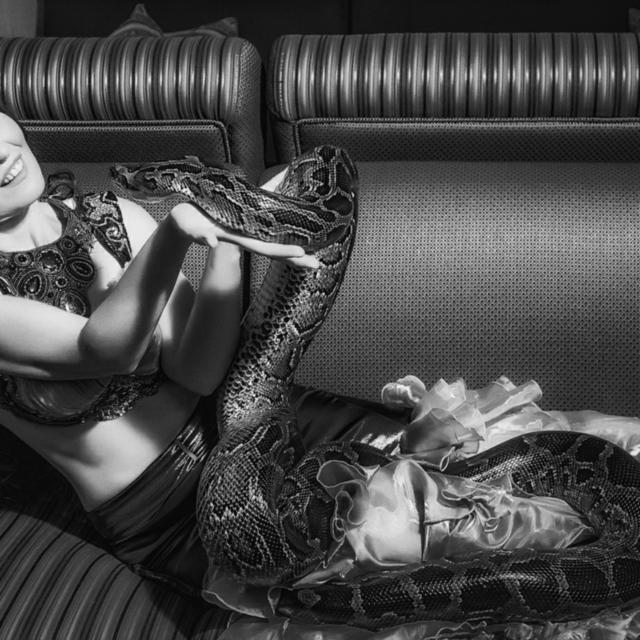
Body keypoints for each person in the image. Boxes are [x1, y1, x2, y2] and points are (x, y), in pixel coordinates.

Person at [1, 107, 639, 638]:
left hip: (259, 422)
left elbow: (197, 372)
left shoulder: (110, 213)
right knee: (454, 534)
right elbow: (104, 350)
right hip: (179, 508)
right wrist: (179, 232)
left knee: (521, 462)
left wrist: (227, 242)